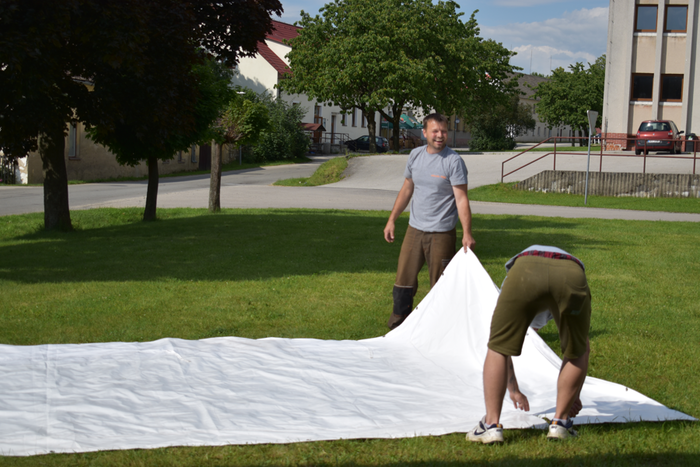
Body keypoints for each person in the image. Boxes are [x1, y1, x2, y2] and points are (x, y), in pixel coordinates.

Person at [467, 245, 591, 444]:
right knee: (577, 347)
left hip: (525, 269)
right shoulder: (545, 309)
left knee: (498, 345)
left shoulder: (514, 281)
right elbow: (580, 350)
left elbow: (503, 348)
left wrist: (513, 390)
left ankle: (491, 425)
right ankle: (560, 423)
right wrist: (573, 395)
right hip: (571, 273)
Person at [383, 113, 475, 329]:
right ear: (424, 133)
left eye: (443, 131)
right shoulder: (415, 155)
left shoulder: (454, 161)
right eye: (435, 131)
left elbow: (461, 199)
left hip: (442, 233)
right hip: (414, 229)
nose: (440, 135)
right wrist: (392, 220)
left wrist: (467, 233)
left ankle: (439, 329)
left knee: (441, 284)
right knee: (403, 280)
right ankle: (399, 325)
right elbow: (407, 189)